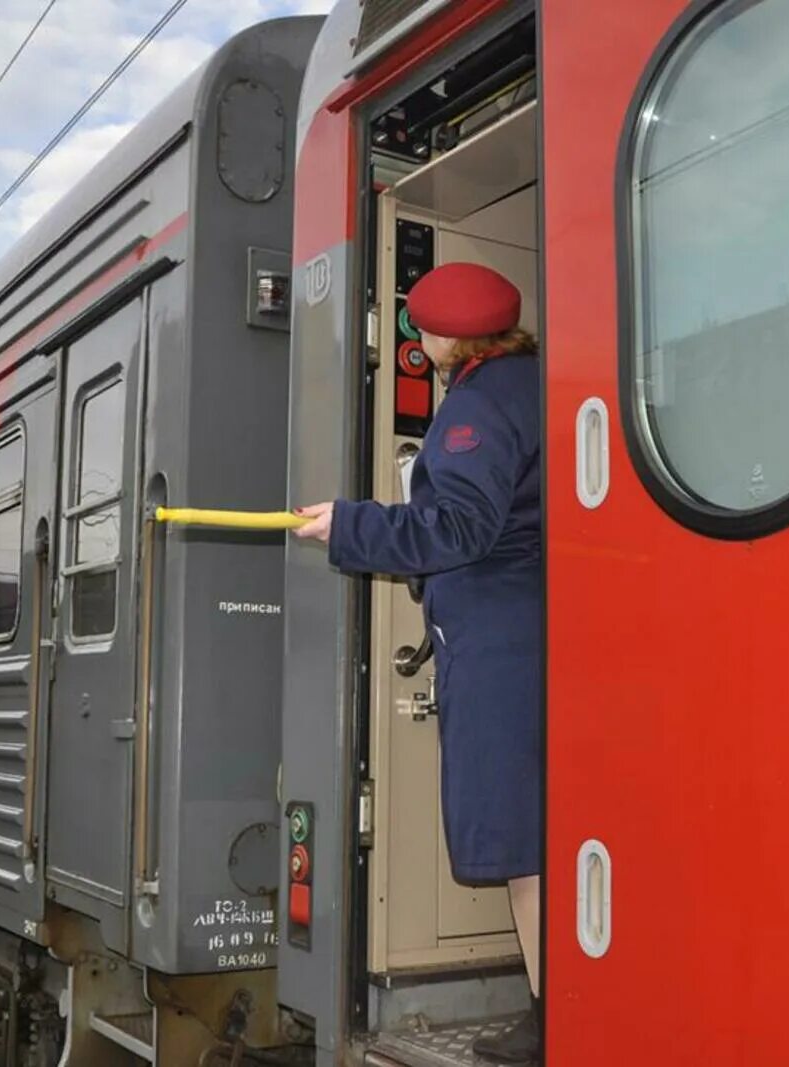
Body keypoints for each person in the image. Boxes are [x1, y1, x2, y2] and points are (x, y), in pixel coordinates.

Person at [294, 262, 542, 1065]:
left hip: (502, 652)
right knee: (546, 830)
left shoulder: (474, 405)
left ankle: (550, 1019)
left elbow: (461, 528)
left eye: (420, 329)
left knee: (518, 841)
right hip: (538, 638)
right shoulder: (540, 380)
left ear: (445, 335)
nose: (419, 341)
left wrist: (349, 526)